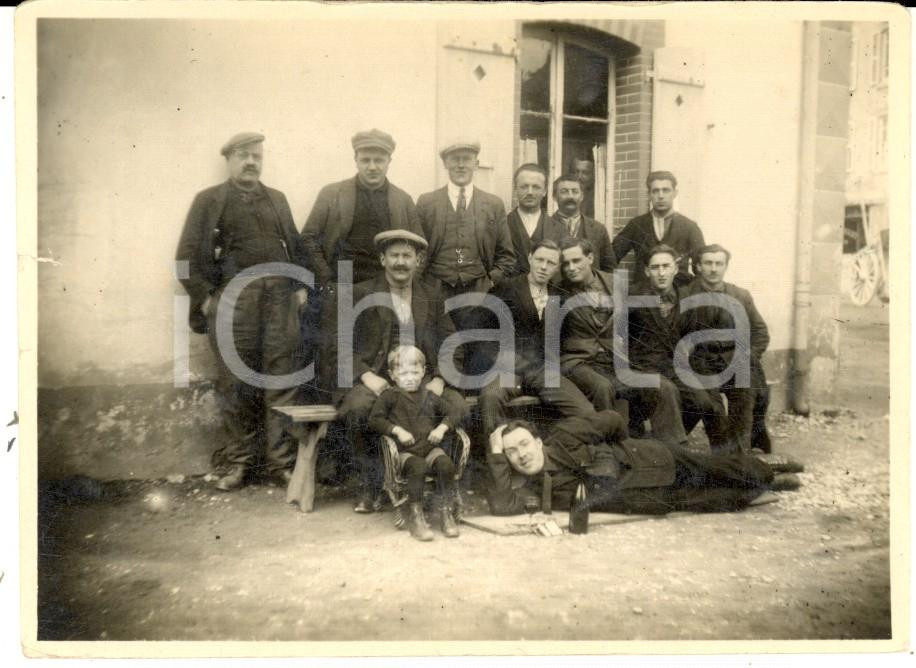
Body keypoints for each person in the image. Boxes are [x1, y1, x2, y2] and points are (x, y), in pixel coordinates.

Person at [175, 132, 309, 491]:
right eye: (243, 155)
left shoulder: (277, 199)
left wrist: (299, 287)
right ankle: (239, 464)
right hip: (234, 301)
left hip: (280, 299)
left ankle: (281, 464)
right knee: (236, 383)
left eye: (256, 156)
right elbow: (185, 259)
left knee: (282, 379)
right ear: (228, 160)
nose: (251, 162)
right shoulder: (209, 201)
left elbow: (296, 248)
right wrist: (206, 298)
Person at [335, 229, 465, 513]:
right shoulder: (361, 293)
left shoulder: (430, 295)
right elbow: (339, 343)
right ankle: (369, 487)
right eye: (394, 255)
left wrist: (441, 379)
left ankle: (444, 485)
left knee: (456, 404)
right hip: (376, 375)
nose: (401, 262)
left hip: (422, 377)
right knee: (358, 407)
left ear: (418, 261)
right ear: (382, 259)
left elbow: (452, 343)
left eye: (407, 256)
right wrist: (366, 375)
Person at [486, 412, 800, 517]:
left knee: (717, 467)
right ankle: (765, 485)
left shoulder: (565, 435)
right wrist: (496, 452)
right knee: (721, 499)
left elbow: (612, 420)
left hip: (650, 457)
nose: (521, 454)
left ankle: (769, 469)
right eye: (511, 453)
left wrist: (621, 448)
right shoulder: (536, 492)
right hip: (650, 498)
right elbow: (502, 505)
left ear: (538, 442)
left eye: (524, 444)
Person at [301, 128, 424, 394]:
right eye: (365, 160)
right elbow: (309, 238)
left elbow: (418, 248)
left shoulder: (402, 200)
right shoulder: (332, 193)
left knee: (383, 348)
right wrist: (327, 281)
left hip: (386, 285)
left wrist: (404, 286)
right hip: (342, 283)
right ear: (355, 159)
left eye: (378, 160)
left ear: (389, 162)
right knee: (335, 350)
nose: (372, 167)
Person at [558, 237, 688, 446]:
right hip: (578, 362)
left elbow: (646, 306)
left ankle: (673, 453)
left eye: (576, 261)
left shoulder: (616, 284)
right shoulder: (558, 291)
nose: (571, 268)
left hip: (615, 361)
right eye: (565, 264)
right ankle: (613, 450)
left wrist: (665, 308)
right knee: (603, 388)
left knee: (663, 387)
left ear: (590, 258)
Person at [417, 140, 515, 378]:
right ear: (445, 163)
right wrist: (423, 284)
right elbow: (417, 250)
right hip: (436, 288)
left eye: (466, 159)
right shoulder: (427, 202)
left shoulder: (492, 204)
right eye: (455, 159)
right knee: (439, 346)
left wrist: (490, 281)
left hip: (478, 290)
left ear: (476, 163)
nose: (461, 165)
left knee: (475, 348)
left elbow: (507, 255)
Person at [478, 239, 596, 435]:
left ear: (558, 267)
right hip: (509, 369)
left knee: (585, 411)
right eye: (540, 259)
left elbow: (562, 337)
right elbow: (483, 334)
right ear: (530, 258)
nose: (543, 267)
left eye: (551, 263)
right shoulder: (505, 288)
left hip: (543, 372)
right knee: (490, 398)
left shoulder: (559, 295)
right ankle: (496, 456)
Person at [627, 244, 728, 449]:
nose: (661, 273)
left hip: (675, 367)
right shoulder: (633, 297)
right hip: (641, 368)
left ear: (675, 269)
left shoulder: (686, 298)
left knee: (704, 402)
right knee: (669, 391)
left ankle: (669, 442)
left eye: (666, 266)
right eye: (655, 268)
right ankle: (673, 450)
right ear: (647, 271)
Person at [678, 244, 773, 453]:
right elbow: (674, 334)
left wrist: (748, 356)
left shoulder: (740, 295)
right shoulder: (684, 296)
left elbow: (760, 332)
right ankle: (721, 457)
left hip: (734, 359)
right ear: (699, 267)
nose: (714, 269)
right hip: (699, 362)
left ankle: (740, 457)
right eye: (708, 263)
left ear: (726, 266)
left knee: (746, 394)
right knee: (713, 407)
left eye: (719, 263)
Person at [368, 345, 468, 541]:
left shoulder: (429, 396)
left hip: (430, 449)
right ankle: (416, 517)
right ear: (392, 375)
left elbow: (454, 412)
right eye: (403, 373)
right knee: (418, 467)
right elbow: (375, 420)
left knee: (446, 465)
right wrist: (396, 430)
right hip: (407, 452)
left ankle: (446, 512)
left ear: (423, 372)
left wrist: (441, 428)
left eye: (415, 372)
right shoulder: (389, 396)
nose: (410, 377)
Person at [612, 170, 705, 287]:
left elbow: (702, 266)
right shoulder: (637, 225)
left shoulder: (689, 226)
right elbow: (611, 257)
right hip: (644, 295)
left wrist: (690, 291)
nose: (660, 196)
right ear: (649, 194)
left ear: (675, 193)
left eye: (666, 190)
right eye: (655, 191)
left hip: (678, 295)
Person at [503, 163, 568, 275]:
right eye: (524, 186)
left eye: (536, 187)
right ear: (515, 189)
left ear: (545, 191)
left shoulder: (560, 230)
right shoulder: (501, 225)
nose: (530, 192)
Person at [550, 174, 615, 273]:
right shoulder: (544, 226)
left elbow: (610, 268)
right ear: (554, 197)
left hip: (591, 288)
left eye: (575, 192)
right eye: (564, 192)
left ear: (582, 196)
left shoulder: (598, 229)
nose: (570, 196)